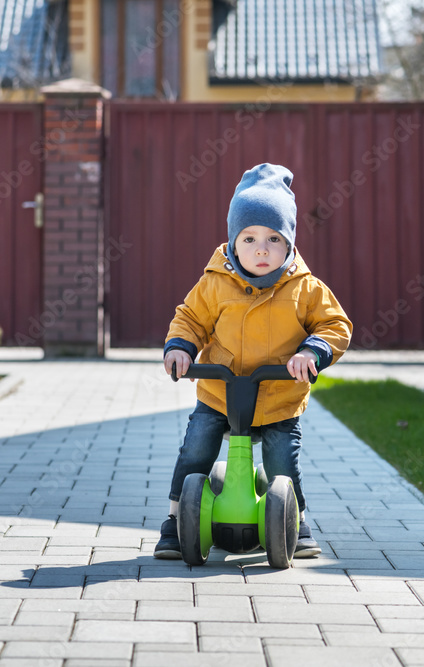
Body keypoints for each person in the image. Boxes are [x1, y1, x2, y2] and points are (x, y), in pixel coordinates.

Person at [155, 163, 352, 560]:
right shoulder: (215, 282)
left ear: (290, 243)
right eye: (249, 238)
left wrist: (310, 352)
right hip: (220, 392)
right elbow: (190, 318)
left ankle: (295, 518)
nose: (261, 249)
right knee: (196, 448)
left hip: (278, 393)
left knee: (282, 460)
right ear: (232, 241)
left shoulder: (305, 287)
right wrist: (180, 348)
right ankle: (175, 521)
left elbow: (335, 324)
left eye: (273, 238)